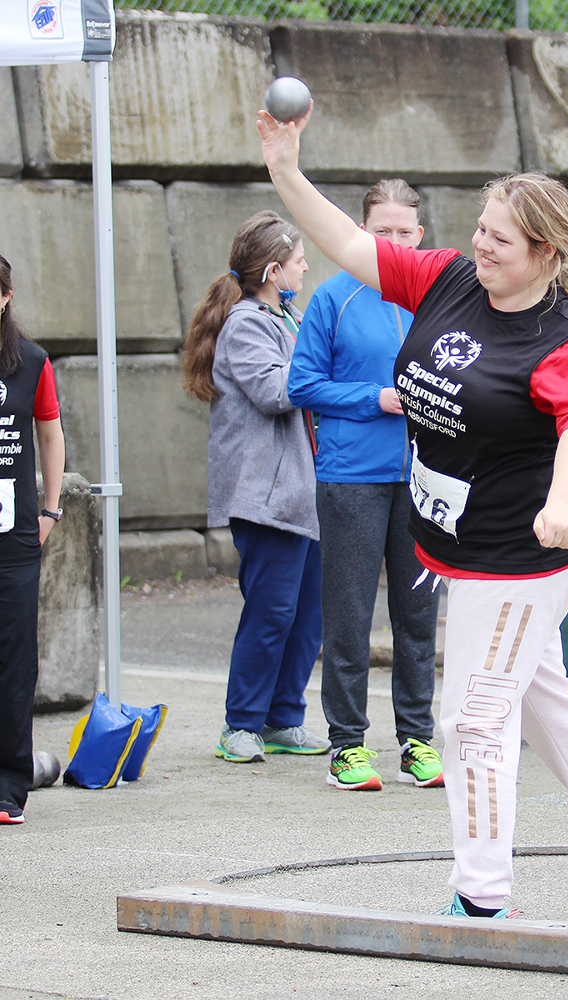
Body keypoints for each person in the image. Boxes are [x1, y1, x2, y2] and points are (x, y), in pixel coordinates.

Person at [258, 106, 568, 923]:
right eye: (480, 229)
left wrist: (560, 507)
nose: (481, 246)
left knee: (473, 718)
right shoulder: (448, 280)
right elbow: (347, 245)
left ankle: (481, 895)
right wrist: (286, 171)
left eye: (501, 240)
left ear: (546, 255)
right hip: (454, 545)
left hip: (520, 560)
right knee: (539, 692)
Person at [287, 179, 443, 792]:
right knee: (348, 615)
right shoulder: (333, 298)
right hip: (350, 477)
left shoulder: (441, 299)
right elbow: (301, 385)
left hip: (423, 479)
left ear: (421, 237)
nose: (395, 241)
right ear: (361, 233)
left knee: (418, 615)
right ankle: (346, 746)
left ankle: (418, 741)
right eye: (383, 232)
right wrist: (374, 399)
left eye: (406, 232)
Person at [182, 211, 331, 764]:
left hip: (303, 495)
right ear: (273, 270)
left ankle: (282, 719)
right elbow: (275, 391)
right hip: (268, 498)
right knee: (270, 613)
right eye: (297, 261)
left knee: (306, 615)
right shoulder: (247, 322)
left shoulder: (286, 317)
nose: (306, 267)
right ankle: (241, 723)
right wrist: (326, 373)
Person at [0, 253, 65, 824]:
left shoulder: (31, 362)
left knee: (15, 657)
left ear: (5, 298)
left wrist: (50, 510)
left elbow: (50, 433)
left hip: (14, 535)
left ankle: (8, 784)